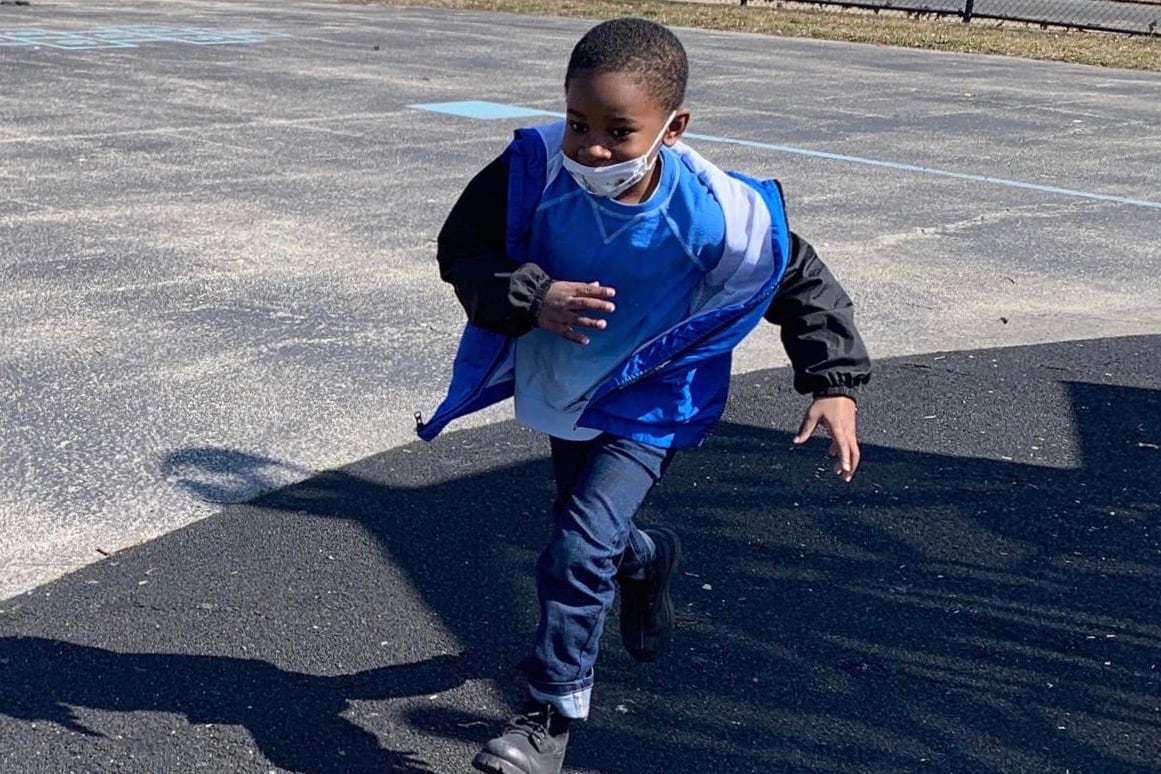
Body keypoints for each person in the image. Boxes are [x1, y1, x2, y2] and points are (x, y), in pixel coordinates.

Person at [416, 17, 871, 774]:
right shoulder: (532, 170)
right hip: (570, 385)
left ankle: (546, 718)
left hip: (654, 395)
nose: (591, 147)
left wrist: (833, 382)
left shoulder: (715, 212)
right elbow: (463, 251)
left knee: (575, 546)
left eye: (617, 131)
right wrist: (530, 295)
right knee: (588, 536)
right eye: (578, 123)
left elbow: (796, 277)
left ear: (672, 126)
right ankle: (645, 556)